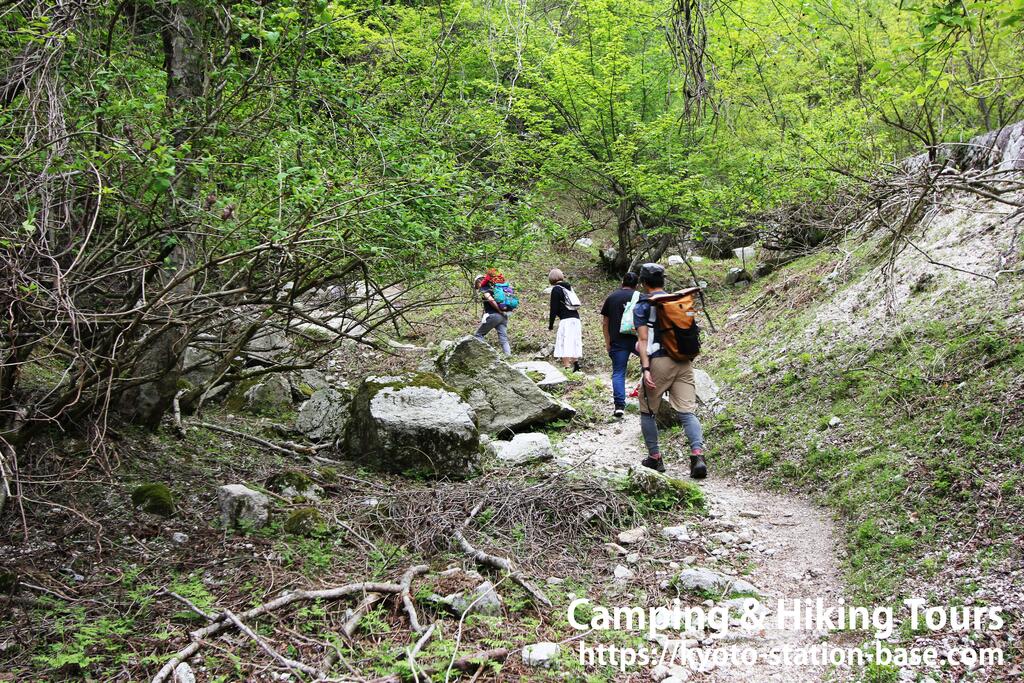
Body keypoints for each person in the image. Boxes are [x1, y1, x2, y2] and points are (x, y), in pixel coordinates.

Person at [634, 262, 707, 478]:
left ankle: (655, 458)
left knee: (647, 411)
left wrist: (646, 369)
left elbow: (644, 339)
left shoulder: (643, 305)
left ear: (644, 282)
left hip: (659, 361)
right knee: (687, 412)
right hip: (683, 361)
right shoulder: (680, 301)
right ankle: (697, 456)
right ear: (663, 281)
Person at [600, 272, 639, 418]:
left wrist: (607, 341)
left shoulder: (612, 297)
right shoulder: (640, 297)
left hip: (617, 341)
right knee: (650, 364)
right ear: (637, 284)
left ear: (622, 282)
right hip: (637, 340)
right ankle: (648, 398)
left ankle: (619, 406)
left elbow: (605, 322)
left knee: (618, 372)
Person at [548, 268, 582, 372]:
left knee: (564, 341)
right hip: (576, 318)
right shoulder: (569, 288)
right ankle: (576, 364)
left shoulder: (556, 289)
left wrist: (551, 325)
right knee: (574, 340)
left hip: (566, 319)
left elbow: (553, 308)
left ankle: (567, 367)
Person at [473, 269, 511, 355]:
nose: (477, 287)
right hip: (504, 316)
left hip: (494, 315)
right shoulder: (496, 287)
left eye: (477, 285)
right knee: (504, 340)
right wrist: (502, 311)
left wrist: (499, 310)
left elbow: (490, 300)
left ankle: (489, 354)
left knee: (478, 335)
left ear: (479, 282)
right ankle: (508, 357)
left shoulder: (484, 288)